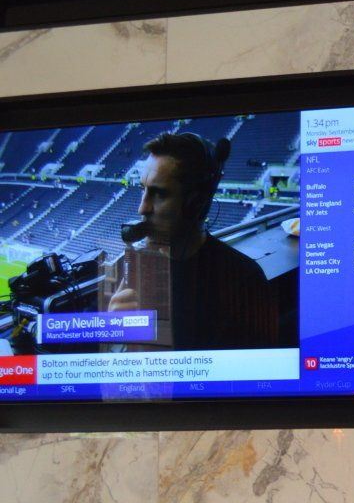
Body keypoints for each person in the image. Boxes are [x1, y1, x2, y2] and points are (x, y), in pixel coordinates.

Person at [106, 132, 281, 350]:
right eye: (143, 189)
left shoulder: (244, 281)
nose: (142, 208)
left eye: (159, 194)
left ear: (195, 203)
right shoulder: (135, 269)